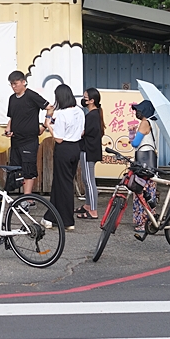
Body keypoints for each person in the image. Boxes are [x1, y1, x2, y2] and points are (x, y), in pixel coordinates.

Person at [4, 70, 53, 198]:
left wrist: (44, 126)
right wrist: (8, 129)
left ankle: (27, 199)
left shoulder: (31, 96)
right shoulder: (12, 99)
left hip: (29, 140)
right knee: (16, 169)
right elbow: (12, 117)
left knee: (28, 169)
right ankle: (20, 198)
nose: (14, 86)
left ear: (23, 82)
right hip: (15, 140)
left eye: (16, 83)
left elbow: (50, 107)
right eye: (11, 84)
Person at [42, 84, 83, 231]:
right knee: (63, 183)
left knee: (62, 184)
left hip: (64, 149)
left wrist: (49, 126)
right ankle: (51, 217)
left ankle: (67, 220)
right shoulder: (79, 111)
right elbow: (81, 131)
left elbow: (58, 139)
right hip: (76, 148)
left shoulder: (63, 114)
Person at [130, 100, 159, 232]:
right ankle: (150, 221)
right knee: (150, 194)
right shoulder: (155, 123)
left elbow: (135, 143)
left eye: (138, 110)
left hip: (143, 166)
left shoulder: (145, 122)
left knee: (141, 193)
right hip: (152, 165)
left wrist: (132, 133)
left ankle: (142, 222)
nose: (136, 112)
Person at [75, 87, 104, 220]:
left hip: (88, 150)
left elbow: (84, 132)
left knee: (89, 180)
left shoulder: (91, 115)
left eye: (85, 98)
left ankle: (93, 210)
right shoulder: (95, 114)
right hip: (90, 150)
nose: (83, 99)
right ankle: (88, 204)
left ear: (92, 100)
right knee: (86, 179)